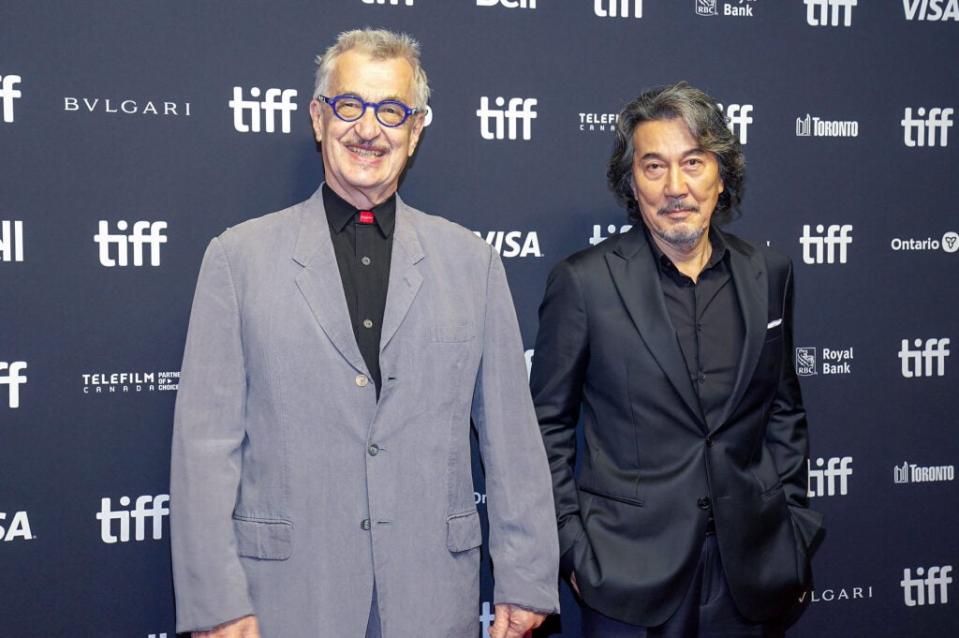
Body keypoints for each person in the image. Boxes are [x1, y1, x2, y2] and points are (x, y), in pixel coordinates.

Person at [170, 28, 558, 638]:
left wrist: (528, 575)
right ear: (319, 119)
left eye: (391, 111)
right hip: (286, 598)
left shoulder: (472, 263)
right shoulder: (236, 260)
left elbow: (512, 441)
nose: (369, 129)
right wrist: (216, 601)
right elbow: (204, 448)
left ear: (417, 128)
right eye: (349, 106)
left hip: (432, 596)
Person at [531, 82, 823, 637]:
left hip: (752, 572)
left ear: (722, 174)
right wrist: (573, 548)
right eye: (653, 166)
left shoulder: (770, 273)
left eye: (693, 163)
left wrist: (792, 522)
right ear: (631, 181)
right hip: (626, 576)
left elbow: (785, 410)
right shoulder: (584, 283)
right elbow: (547, 426)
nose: (675, 187)